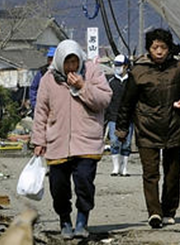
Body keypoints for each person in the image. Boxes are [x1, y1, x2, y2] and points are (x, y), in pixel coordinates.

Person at [31, 40, 112, 240]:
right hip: (57, 142)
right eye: (67, 63)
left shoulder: (92, 72)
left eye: (74, 62)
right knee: (58, 186)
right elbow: (41, 111)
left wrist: (83, 86)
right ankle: (65, 220)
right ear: (59, 62)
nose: (71, 67)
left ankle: (82, 221)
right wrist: (39, 140)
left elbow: (104, 100)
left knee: (84, 182)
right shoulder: (49, 79)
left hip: (87, 141)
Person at [115, 29, 180, 229]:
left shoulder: (179, 68)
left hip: (172, 126)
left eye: (163, 47)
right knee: (150, 173)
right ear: (148, 49)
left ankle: (169, 210)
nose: (159, 51)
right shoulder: (138, 71)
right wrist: (122, 127)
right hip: (146, 127)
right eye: (154, 47)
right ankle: (154, 212)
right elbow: (127, 102)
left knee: (172, 172)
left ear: (169, 49)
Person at [105, 54, 133, 177]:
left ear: (126, 66)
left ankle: (124, 167)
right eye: (116, 65)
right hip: (113, 117)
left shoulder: (132, 81)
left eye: (120, 65)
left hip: (129, 117)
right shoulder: (110, 82)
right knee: (115, 142)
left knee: (126, 143)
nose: (117, 68)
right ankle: (116, 167)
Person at [29, 46, 56, 113]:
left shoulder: (64, 72)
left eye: (53, 58)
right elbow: (33, 88)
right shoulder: (42, 72)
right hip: (42, 107)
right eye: (49, 58)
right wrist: (34, 104)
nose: (51, 61)